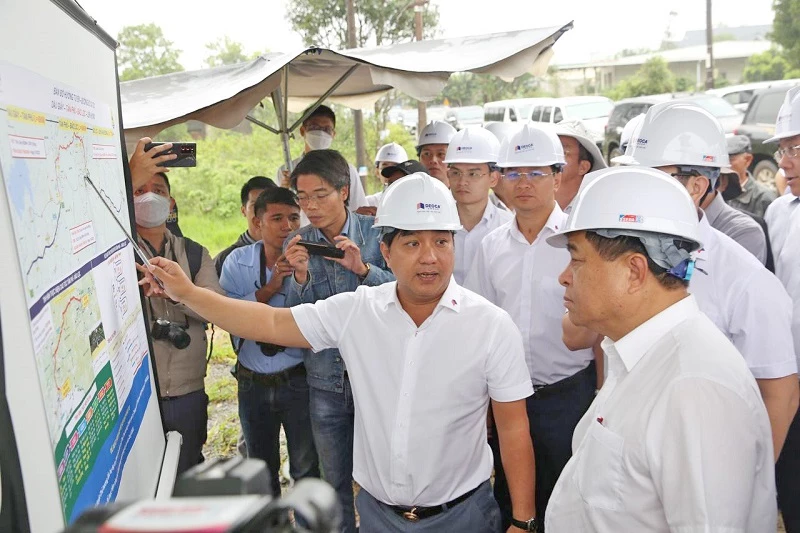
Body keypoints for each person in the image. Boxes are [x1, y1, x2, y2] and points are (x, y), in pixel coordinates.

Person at [137, 172, 539, 533]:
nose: (430, 256)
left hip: (463, 518)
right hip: (380, 518)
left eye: (441, 241)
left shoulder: (490, 325)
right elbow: (270, 323)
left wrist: (522, 520)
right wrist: (188, 293)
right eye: (413, 242)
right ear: (385, 251)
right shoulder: (358, 311)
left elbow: (513, 428)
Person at [544, 166, 776, 533]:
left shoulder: (694, 387)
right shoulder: (637, 355)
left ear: (635, 271)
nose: (564, 276)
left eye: (576, 258)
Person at [602, 100, 799, 462]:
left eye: (653, 178)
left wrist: (745, 483)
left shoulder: (746, 280)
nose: (636, 191)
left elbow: (779, 394)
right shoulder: (621, 260)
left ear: (696, 186)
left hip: (706, 458)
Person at [465, 124, 596, 530]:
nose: (523, 184)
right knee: (512, 497)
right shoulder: (491, 246)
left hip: (568, 395)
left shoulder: (580, 239)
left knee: (567, 497)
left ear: (558, 177)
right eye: (514, 174)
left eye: (536, 173)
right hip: (508, 398)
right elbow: (480, 322)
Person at [282, 149, 395, 533]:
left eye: (320, 194)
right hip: (326, 383)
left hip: (376, 379)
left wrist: (363, 270)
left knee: (383, 479)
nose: (311, 206)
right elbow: (297, 323)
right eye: (303, 197)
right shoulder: (300, 244)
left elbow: (402, 300)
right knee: (334, 482)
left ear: (344, 191)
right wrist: (299, 277)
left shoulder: (377, 234)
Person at [219, 187, 319, 496]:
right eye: (276, 218)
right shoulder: (237, 261)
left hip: (297, 380)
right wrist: (272, 285)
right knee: (261, 469)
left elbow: (319, 317)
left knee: (306, 467)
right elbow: (230, 316)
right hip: (253, 382)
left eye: (293, 217)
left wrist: (300, 278)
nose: (286, 226)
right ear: (257, 221)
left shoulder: (312, 260)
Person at [133, 172, 224, 474]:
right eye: (140, 189)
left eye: (157, 190)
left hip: (188, 390)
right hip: (140, 395)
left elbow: (214, 306)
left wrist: (177, 295)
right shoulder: (115, 257)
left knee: (187, 473)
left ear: (170, 202)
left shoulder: (195, 254)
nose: (149, 196)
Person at [615, 105, 769, 265]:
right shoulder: (644, 225)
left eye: (654, 179)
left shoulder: (740, 234)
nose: (641, 191)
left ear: (697, 187)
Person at [764, 85, 800, 533]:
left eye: (797, 147)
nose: (785, 161)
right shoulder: (778, 214)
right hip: (788, 385)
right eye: (783, 149)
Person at [443, 127, 513, 284]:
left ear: (493, 178)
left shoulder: (510, 227)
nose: (462, 182)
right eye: (456, 173)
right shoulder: (435, 225)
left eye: (473, 174)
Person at [275, 104, 368, 212]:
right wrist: (284, 191)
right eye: (314, 127)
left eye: (326, 129)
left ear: (333, 134)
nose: (320, 133)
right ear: (302, 131)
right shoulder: (286, 171)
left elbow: (358, 209)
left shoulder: (347, 170)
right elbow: (278, 212)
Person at [214, 176, 277, 277]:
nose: (263, 212)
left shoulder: (293, 251)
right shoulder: (225, 260)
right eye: (255, 205)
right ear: (243, 211)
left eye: (270, 205)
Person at [553, 120, 607, 213]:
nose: (551, 159)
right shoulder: (530, 203)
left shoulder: (599, 209)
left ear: (583, 167)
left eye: (562, 152)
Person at [727, 134, 778, 217]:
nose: (725, 165)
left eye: (730, 160)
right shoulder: (717, 192)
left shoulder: (764, 198)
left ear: (747, 160)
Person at [362, 142, 409, 210]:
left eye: (395, 167)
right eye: (385, 167)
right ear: (377, 172)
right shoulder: (368, 204)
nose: (389, 172)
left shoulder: (415, 201)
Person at [416, 120, 456, 188]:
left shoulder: (465, 196)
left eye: (441, 154)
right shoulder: (411, 194)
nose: (433, 160)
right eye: (427, 154)